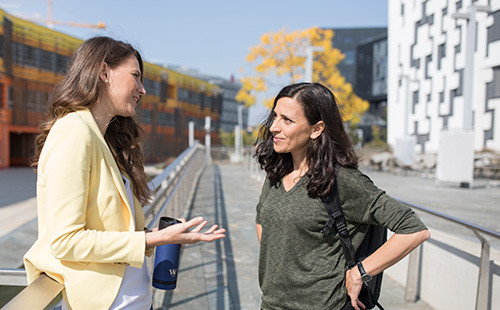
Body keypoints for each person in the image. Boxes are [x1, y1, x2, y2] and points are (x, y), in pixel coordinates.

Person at [23, 36, 226, 310]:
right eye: (136, 77)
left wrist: (161, 235)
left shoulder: (104, 139)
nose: (142, 90)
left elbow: (107, 229)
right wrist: (154, 239)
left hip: (135, 300)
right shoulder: (73, 132)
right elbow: (66, 241)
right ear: (104, 73)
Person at [254, 82, 430, 310]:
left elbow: (414, 229)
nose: (274, 127)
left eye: (287, 120)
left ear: (317, 129)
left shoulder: (343, 181)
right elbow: (262, 224)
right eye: (275, 116)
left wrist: (360, 273)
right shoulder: (276, 173)